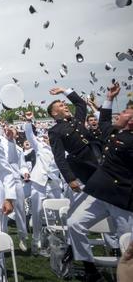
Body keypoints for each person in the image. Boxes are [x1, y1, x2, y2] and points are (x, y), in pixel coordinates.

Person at [67, 82, 133, 282]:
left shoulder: (129, 141)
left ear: (131, 121)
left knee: (127, 246)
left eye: (123, 113)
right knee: (74, 224)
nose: (118, 115)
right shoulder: (116, 133)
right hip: (97, 194)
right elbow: (104, 120)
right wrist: (110, 98)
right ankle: (90, 270)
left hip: (120, 199)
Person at [23, 112, 63, 254]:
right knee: (37, 212)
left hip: (54, 184)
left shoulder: (60, 149)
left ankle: (56, 241)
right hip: (39, 183)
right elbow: (29, 135)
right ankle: (36, 242)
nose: (48, 137)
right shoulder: (39, 146)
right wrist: (29, 121)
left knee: (57, 213)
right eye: (47, 135)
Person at [47, 87, 100, 191]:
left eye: (65, 104)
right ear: (54, 113)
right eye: (61, 106)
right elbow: (59, 157)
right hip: (86, 164)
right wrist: (70, 179)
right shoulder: (55, 131)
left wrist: (63, 91)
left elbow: (80, 103)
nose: (65, 106)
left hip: (99, 153)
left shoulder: (77, 120)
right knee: (103, 192)